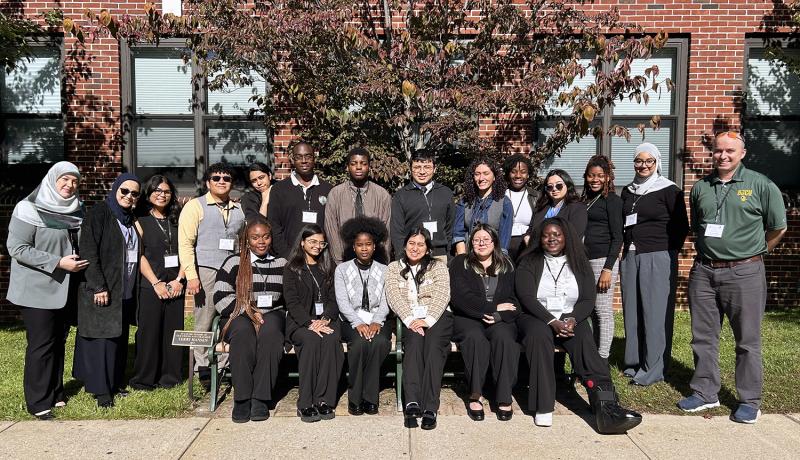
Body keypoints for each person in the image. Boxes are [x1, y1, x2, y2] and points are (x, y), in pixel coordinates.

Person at [678, 131, 787, 424]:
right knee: (702, 337)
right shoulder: (701, 187)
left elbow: (778, 227)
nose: (723, 156)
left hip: (745, 272)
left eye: (729, 151)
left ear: (742, 153)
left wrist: (755, 253)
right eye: (717, 151)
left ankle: (750, 400)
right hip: (704, 271)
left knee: (747, 341)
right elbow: (698, 226)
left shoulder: (761, 185)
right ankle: (705, 392)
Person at [516, 217, 642, 433]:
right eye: (546, 235)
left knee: (584, 339)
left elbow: (587, 299)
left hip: (569, 317)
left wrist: (573, 319)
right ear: (540, 238)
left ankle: (606, 407)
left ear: (566, 237)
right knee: (538, 337)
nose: (551, 239)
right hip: (536, 317)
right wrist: (552, 321)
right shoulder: (529, 261)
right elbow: (526, 297)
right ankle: (543, 406)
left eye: (556, 234)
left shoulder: (578, 262)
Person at [7, 162, 87, 420]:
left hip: (65, 287)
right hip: (36, 289)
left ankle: (55, 392)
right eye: (64, 180)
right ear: (52, 180)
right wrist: (57, 262)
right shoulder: (27, 208)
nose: (69, 185)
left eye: (74, 181)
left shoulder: (77, 209)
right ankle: (38, 401)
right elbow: (17, 248)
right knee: (41, 345)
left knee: (58, 342)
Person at [620, 143, 688, 386]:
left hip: (658, 255)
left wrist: (667, 254)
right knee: (632, 311)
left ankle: (653, 368)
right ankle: (633, 363)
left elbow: (681, 227)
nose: (644, 165)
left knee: (655, 313)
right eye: (639, 160)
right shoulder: (628, 191)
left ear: (657, 162)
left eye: (649, 161)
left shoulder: (669, 190)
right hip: (630, 256)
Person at [74, 173, 141, 408]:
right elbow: (89, 251)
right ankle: (102, 393)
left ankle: (114, 383)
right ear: (115, 190)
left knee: (117, 339)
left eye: (134, 193)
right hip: (103, 288)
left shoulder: (129, 218)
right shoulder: (100, 213)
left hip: (123, 288)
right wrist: (98, 285)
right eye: (124, 191)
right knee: (101, 341)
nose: (129, 196)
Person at [178, 163, 245, 388]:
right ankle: (203, 366)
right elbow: (185, 244)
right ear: (208, 182)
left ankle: (225, 364)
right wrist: (191, 275)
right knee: (204, 319)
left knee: (229, 318)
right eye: (216, 178)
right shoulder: (195, 207)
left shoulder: (238, 210)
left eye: (226, 178)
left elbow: (244, 241)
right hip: (205, 270)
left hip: (232, 272)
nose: (221, 181)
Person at [214, 219, 288, 423]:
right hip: (238, 315)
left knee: (272, 332)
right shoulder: (234, 262)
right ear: (247, 240)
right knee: (244, 332)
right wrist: (248, 312)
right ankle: (242, 398)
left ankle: (261, 398)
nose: (261, 242)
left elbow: (289, 298)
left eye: (265, 236)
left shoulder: (282, 264)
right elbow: (220, 296)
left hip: (272, 313)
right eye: (255, 238)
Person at [449, 224, 519, 422]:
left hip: (500, 320)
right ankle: (475, 394)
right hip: (467, 318)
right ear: (471, 243)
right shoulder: (460, 263)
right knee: (475, 339)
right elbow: (461, 298)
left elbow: (515, 300)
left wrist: (499, 316)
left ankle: (504, 397)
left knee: (505, 338)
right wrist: (494, 308)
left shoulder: (507, 264)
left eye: (486, 239)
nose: (481, 243)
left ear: (494, 242)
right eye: (476, 240)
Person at [385, 227, 452, 430]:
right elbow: (393, 296)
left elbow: (443, 294)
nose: (415, 248)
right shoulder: (394, 268)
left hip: (438, 316)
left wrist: (428, 319)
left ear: (428, 248)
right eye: (411, 243)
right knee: (413, 345)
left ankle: (430, 406)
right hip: (410, 318)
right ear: (404, 245)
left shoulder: (438, 267)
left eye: (421, 244)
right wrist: (410, 319)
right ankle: (412, 402)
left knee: (433, 348)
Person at [129, 175, 185, 391]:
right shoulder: (140, 220)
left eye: (167, 191)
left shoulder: (179, 219)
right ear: (149, 193)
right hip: (151, 285)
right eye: (157, 191)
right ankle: (144, 379)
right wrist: (156, 283)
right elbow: (139, 255)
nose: (162, 195)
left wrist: (179, 280)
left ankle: (171, 377)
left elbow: (188, 251)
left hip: (176, 284)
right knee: (149, 333)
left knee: (173, 332)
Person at [283, 224, 344, 422]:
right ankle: (306, 402)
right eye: (312, 242)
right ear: (302, 242)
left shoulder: (329, 266)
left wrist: (325, 319)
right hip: (300, 323)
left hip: (326, 320)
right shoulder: (292, 268)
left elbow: (336, 298)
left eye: (321, 242)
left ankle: (324, 400)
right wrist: (310, 323)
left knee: (331, 338)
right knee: (310, 341)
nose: (318, 246)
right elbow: (291, 301)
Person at [334, 216, 392, 416]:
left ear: (375, 246)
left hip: (378, 318)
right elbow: (342, 302)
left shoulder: (385, 270)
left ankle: (370, 398)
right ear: (354, 246)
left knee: (379, 343)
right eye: (360, 245)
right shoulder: (342, 269)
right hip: (351, 321)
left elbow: (386, 299)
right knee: (358, 344)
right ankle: (355, 398)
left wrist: (377, 320)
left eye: (368, 244)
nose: (364, 248)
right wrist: (357, 322)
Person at [581, 155, 624, 361]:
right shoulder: (585, 200)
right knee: (589, 309)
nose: (595, 179)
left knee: (602, 310)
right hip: (583, 261)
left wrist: (608, 268)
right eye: (591, 175)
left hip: (602, 260)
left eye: (600, 175)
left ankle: (603, 359)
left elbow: (618, 237)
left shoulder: (613, 201)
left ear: (608, 177)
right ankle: (593, 355)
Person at [325, 147, 392, 264]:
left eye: (363, 163)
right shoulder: (335, 194)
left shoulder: (382, 195)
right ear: (347, 167)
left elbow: (387, 232)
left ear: (369, 166)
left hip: (375, 260)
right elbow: (331, 229)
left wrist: (381, 262)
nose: (359, 167)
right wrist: (340, 261)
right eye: (354, 163)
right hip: (344, 259)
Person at [268, 142, 333, 257]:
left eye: (308, 156)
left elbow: (332, 227)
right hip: (288, 258)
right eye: (299, 157)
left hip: (320, 258)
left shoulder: (328, 189)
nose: (304, 160)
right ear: (292, 160)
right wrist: (286, 255)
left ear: (314, 159)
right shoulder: (279, 189)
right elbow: (274, 225)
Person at [390, 149, 455, 261]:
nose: (422, 172)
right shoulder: (401, 196)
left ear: (435, 169)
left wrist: (448, 255)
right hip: (412, 256)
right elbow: (397, 232)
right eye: (417, 167)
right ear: (411, 169)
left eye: (427, 167)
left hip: (440, 255)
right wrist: (402, 258)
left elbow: (450, 227)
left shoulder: (446, 193)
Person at [453, 157, 513, 255]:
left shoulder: (504, 203)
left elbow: (504, 239)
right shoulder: (464, 202)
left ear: (494, 177)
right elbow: (458, 233)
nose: (481, 178)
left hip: (494, 258)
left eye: (486, 173)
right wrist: (462, 258)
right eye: (477, 174)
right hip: (468, 256)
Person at [525, 169, 587, 241]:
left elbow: (575, 236)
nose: (554, 189)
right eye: (550, 187)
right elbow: (530, 230)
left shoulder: (577, 208)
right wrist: (527, 237)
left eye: (559, 185)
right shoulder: (541, 207)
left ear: (567, 185)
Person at [503, 154, 537, 261]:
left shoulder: (536, 197)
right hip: (504, 247)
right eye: (513, 171)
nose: (518, 176)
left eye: (523, 172)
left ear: (528, 175)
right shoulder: (499, 196)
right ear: (508, 174)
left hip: (527, 248)